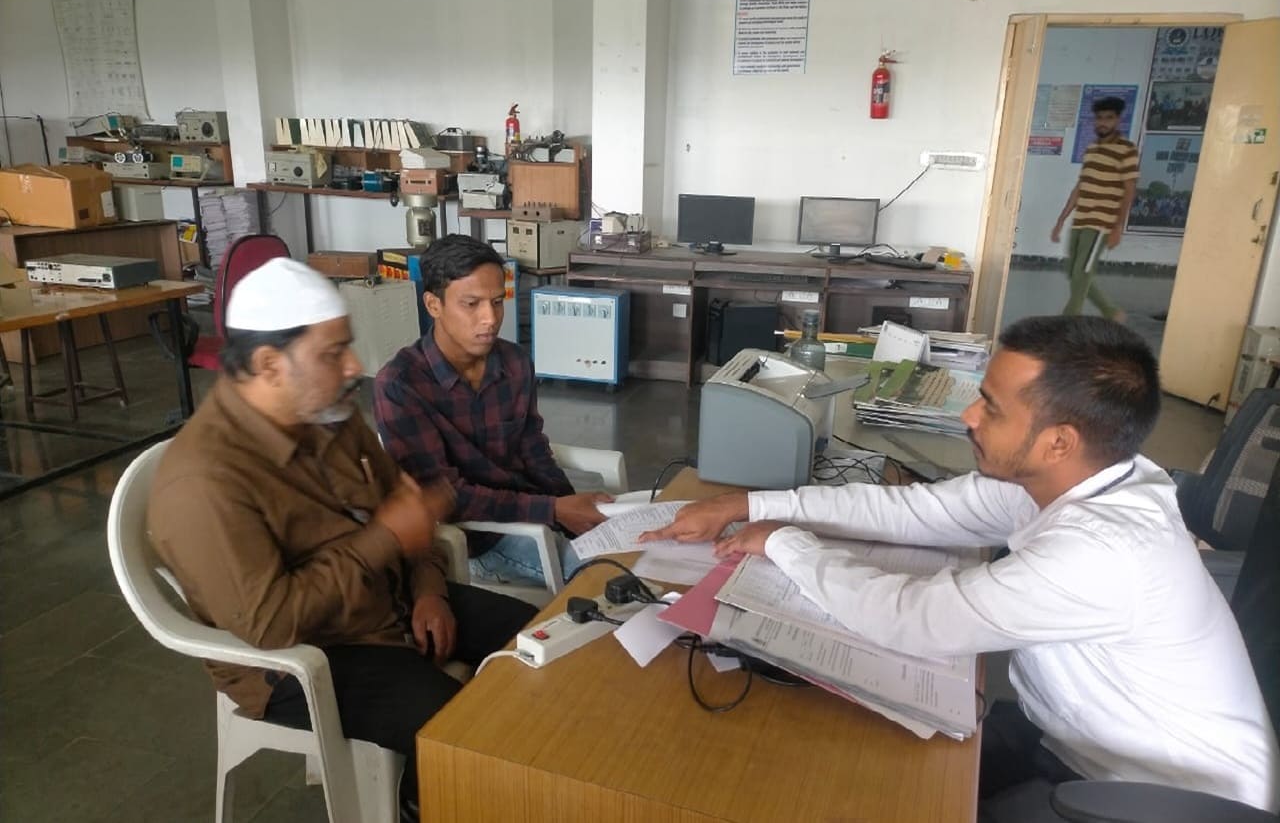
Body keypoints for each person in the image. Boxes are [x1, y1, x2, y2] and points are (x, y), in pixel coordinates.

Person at [639, 315, 1278, 815]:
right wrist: (747, 504)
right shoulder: (1082, 477)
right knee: (867, 776)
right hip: (1076, 745)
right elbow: (914, 512)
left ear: (1060, 441)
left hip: (1161, 801)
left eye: (991, 407)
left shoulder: (1104, 550)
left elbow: (916, 621)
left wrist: (785, 542)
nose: (968, 415)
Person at [148, 258, 537, 823]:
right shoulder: (204, 482)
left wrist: (428, 587)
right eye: (333, 353)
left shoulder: (327, 411)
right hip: (307, 656)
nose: (354, 365)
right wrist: (385, 539)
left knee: (537, 641)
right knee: (459, 731)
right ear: (269, 365)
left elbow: (405, 510)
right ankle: (424, 803)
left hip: (387, 600)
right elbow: (272, 624)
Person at [374, 234, 611, 587]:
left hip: (537, 512)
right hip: (478, 538)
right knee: (607, 575)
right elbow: (444, 496)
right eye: (472, 304)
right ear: (433, 305)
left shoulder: (514, 362)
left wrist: (569, 506)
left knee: (633, 549)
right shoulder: (401, 386)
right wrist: (554, 511)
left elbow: (533, 449)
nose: (490, 318)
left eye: (498, 302)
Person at [1051, 96, 1139, 321]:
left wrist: (1117, 227)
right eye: (1099, 118)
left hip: (1101, 224)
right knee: (1073, 272)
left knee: (1082, 272)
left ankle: (1069, 320)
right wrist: (1061, 220)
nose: (1103, 123)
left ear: (1118, 120)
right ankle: (1111, 312)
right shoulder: (1091, 149)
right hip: (1080, 220)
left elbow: (1129, 190)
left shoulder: (1126, 150)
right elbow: (1080, 186)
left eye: (1108, 118)